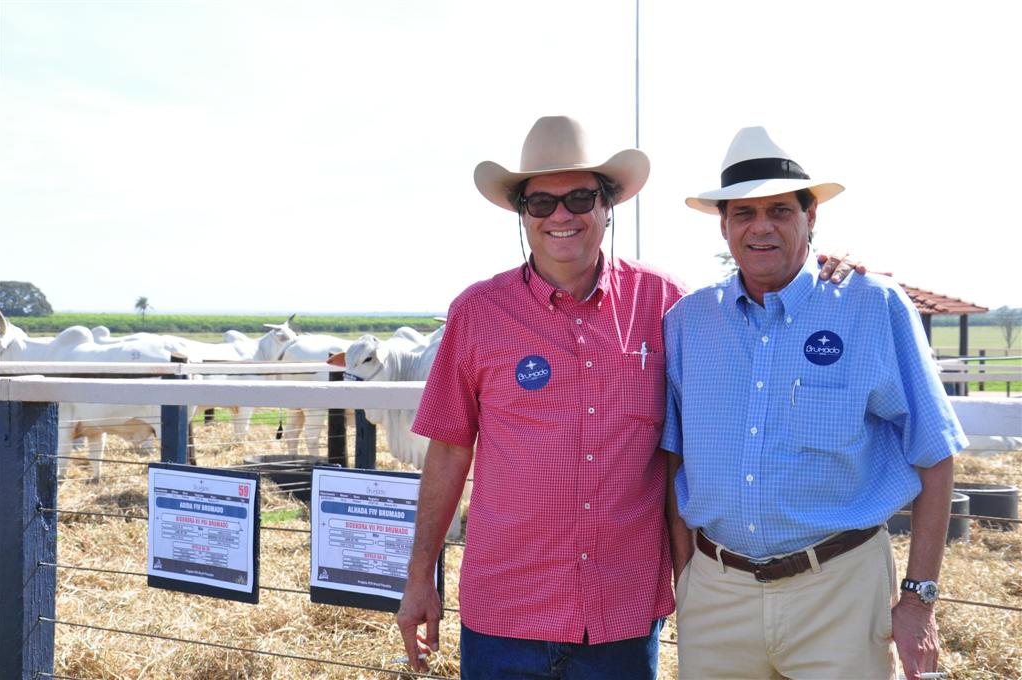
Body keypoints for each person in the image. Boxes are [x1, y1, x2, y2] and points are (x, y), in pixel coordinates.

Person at [396, 116, 858, 679]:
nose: (561, 216)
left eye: (580, 198)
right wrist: (420, 578)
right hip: (504, 612)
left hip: (621, 614)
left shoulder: (669, 306)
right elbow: (448, 452)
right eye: (541, 202)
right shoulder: (476, 313)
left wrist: (827, 272)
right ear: (522, 215)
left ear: (609, 206)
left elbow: (761, 334)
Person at [661, 126, 968, 680]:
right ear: (724, 225)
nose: (761, 227)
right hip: (716, 593)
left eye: (779, 210)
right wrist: (689, 576)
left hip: (840, 591)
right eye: (743, 213)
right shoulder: (687, 323)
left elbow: (935, 453)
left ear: (811, 219)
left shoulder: (871, 306)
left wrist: (919, 601)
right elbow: (674, 460)